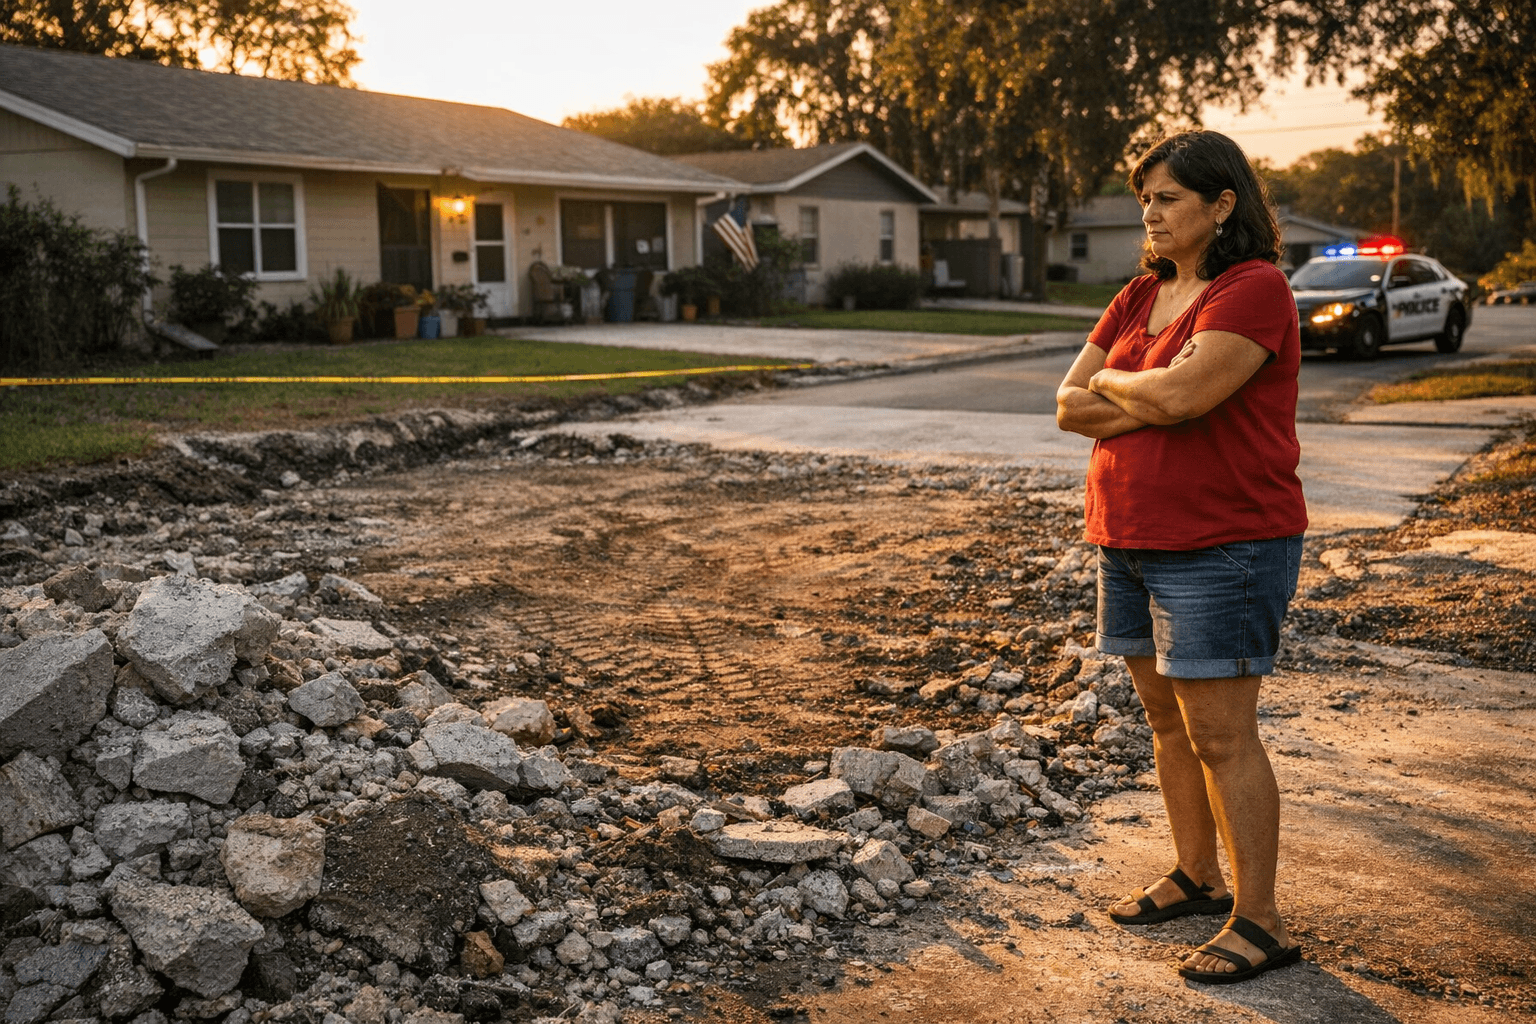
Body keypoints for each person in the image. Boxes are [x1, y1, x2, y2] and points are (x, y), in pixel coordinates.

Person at [1055, 130, 1307, 984]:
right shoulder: (1138, 296)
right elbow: (1066, 405)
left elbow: (1185, 392)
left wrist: (1143, 390)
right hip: (1125, 537)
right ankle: (1198, 877)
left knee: (1224, 736)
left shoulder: (1255, 288)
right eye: (1145, 200)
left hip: (1223, 543)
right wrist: (1158, 399)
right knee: (1168, 723)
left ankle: (1260, 920)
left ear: (1221, 204)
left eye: (1166, 198)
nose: (1149, 215)